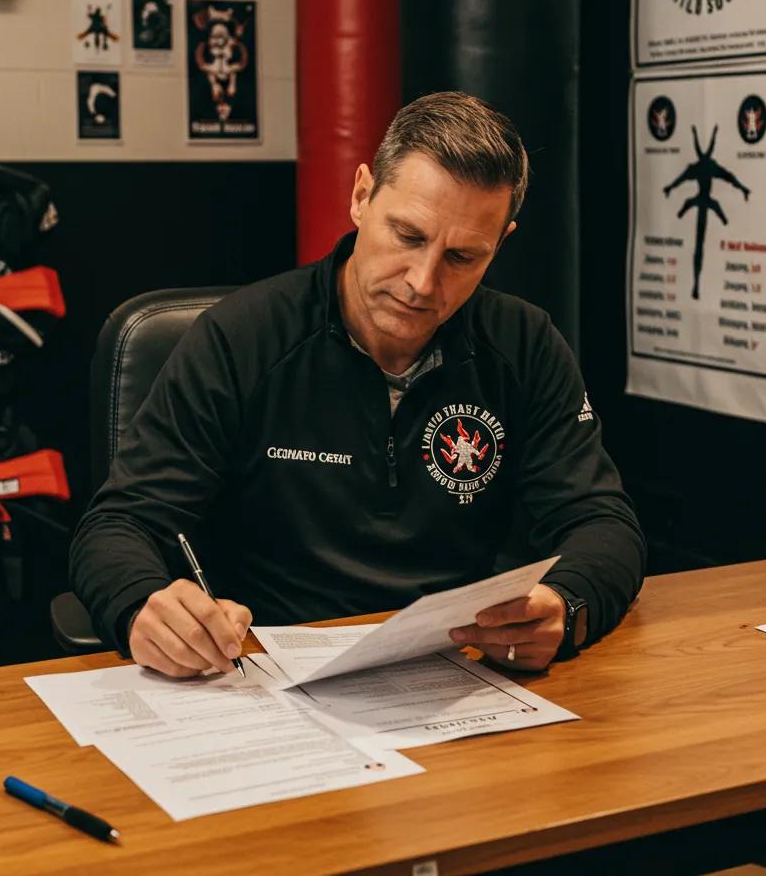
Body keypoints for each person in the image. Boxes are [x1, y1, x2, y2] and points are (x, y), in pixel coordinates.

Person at [71, 91, 646, 680]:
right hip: (270, 677)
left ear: (500, 244)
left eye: (462, 257)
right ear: (361, 196)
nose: (423, 283)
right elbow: (118, 525)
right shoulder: (241, 338)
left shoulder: (523, 344)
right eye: (408, 236)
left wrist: (566, 606)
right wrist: (144, 605)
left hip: (455, 674)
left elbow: (603, 523)